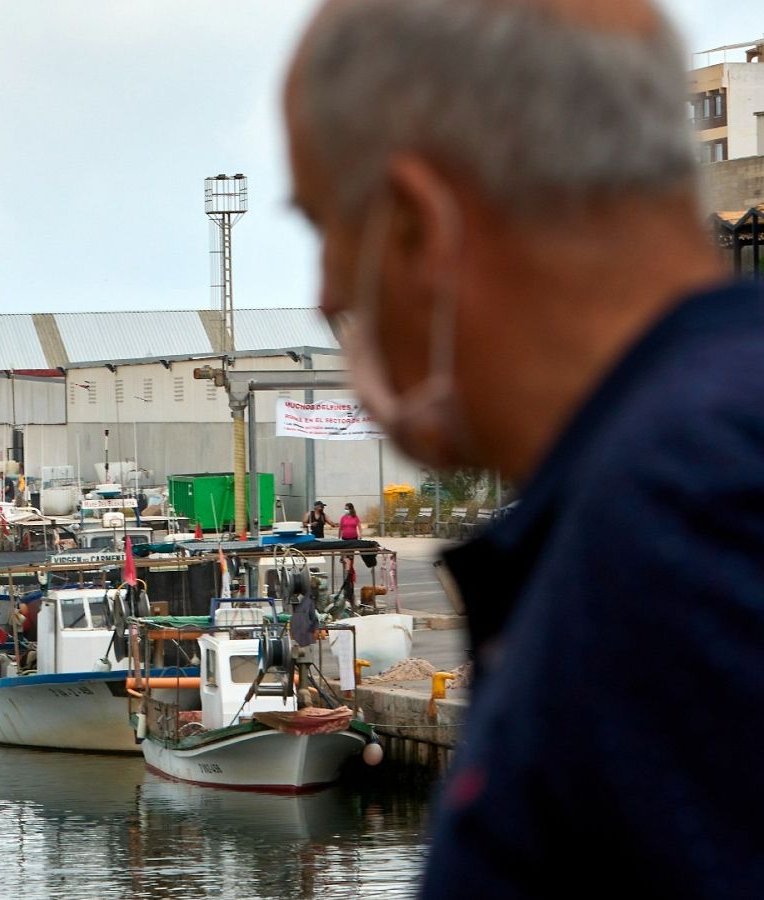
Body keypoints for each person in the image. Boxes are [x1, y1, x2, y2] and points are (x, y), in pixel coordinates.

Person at [285, 0, 764, 895]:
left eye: (325, 226)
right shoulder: (699, 454)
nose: (322, 293)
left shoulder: (672, 525)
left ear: (418, 220)